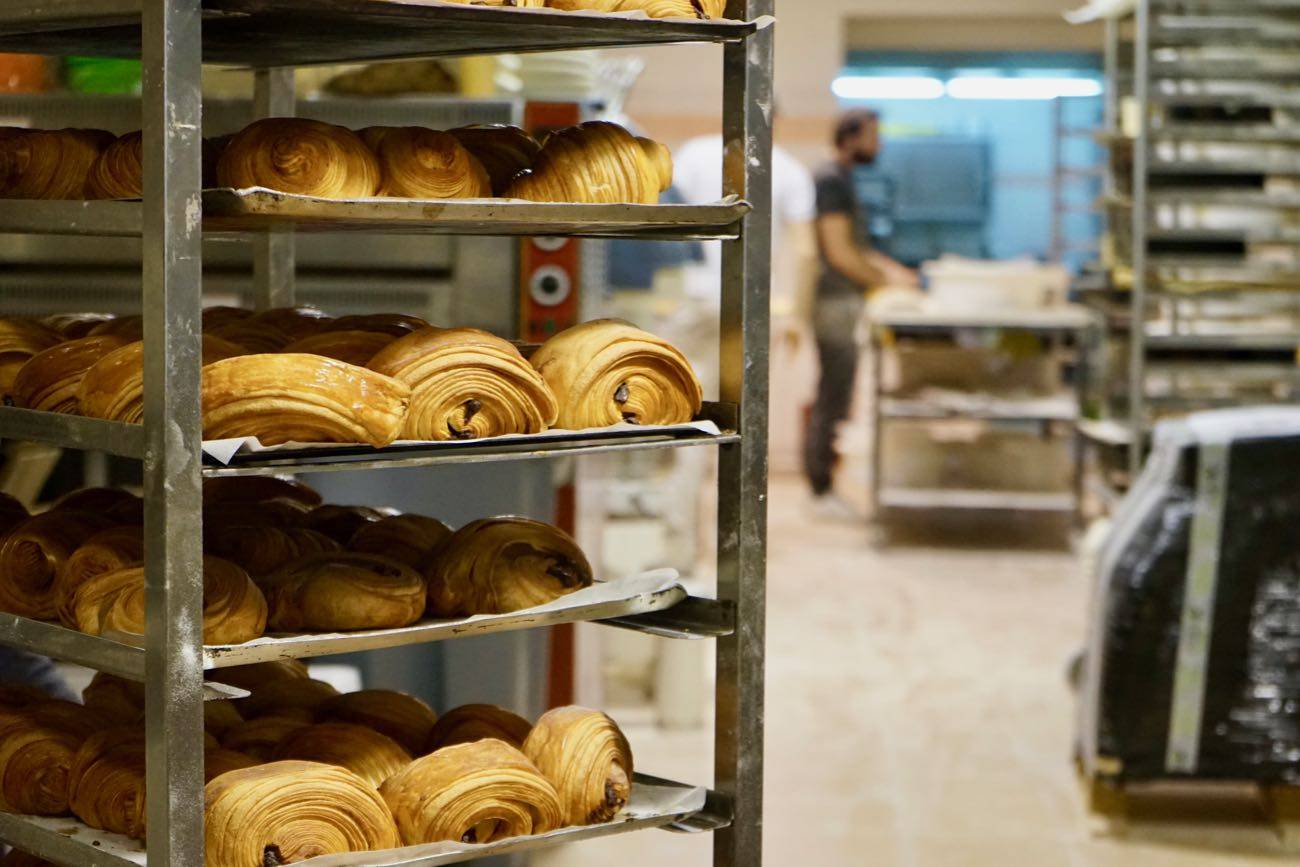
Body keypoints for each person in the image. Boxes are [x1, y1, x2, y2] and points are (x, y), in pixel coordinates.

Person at [805, 109, 917, 517]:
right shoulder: (830, 180)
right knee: (833, 395)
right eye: (873, 135)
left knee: (838, 393)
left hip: (844, 301)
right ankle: (819, 490)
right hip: (834, 302)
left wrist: (897, 274)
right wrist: (884, 281)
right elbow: (839, 252)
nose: (878, 144)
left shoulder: (843, 178)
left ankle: (824, 486)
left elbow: (858, 248)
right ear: (850, 137)